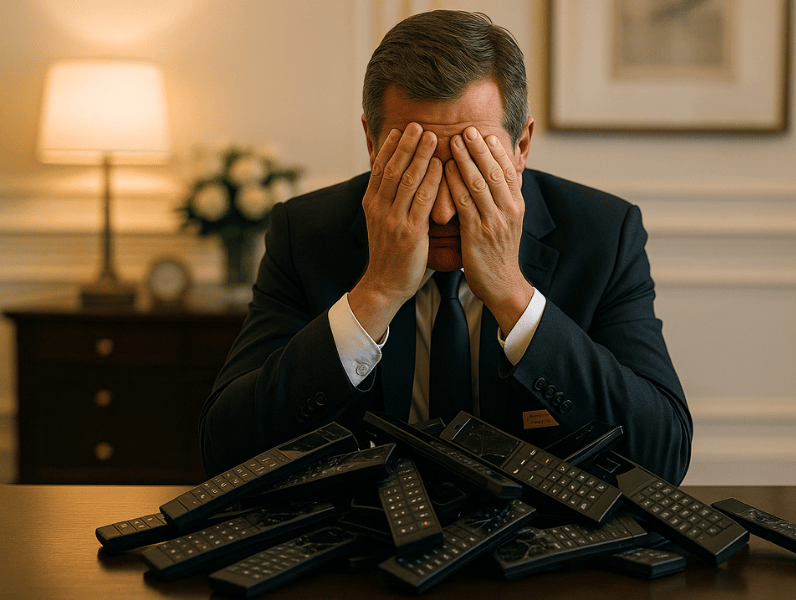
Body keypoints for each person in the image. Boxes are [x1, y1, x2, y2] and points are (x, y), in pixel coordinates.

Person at [200, 10, 692, 484]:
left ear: (521, 147)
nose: (441, 213)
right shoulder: (305, 231)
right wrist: (375, 294)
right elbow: (226, 451)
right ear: (373, 146)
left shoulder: (603, 234)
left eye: (470, 166)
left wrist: (512, 296)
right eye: (417, 166)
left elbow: (663, 455)